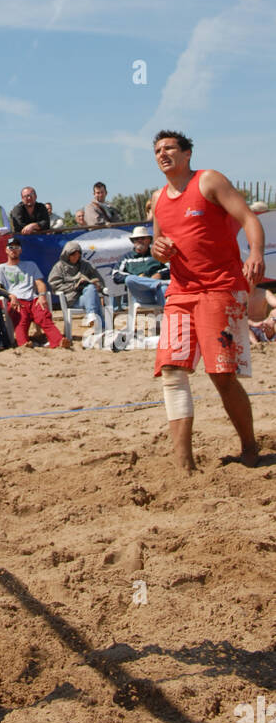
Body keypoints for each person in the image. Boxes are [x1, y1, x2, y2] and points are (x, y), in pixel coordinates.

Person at [150, 130, 263, 472]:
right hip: (180, 292)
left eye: (169, 147)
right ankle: (183, 464)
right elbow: (158, 245)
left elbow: (248, 218)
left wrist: (256, 252)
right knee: (172, 371)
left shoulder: (209, 180)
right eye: (157, 150)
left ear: (186, 154)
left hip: (221, 288)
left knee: (221, 376)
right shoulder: (157, 198)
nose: (162, 154)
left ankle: (249, 445)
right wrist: (159, 250)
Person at [0, 236, 70, 349]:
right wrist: (11, 296)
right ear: (6, 250)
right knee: (21, 319)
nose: (14, 250)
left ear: (21, 250)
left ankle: (59, 341)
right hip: (16, 301)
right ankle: (24, 343)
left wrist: (42, 296)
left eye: (17, 247)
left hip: (33, 299)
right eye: (11, 247)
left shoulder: (30, 265)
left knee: (44, 316)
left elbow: (40, 283)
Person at [48, 240, 106, 326]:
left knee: (91, 288)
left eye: (78, 255)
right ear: (67, 255)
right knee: (95, 299)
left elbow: (99, 279)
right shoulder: (59, 267)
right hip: (72, 299)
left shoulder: (85, 265)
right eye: (73, 255)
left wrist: (97, 285)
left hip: (88, 295)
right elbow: (54, 284)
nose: (76, 257)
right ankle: (102, 327)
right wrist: (74, 286)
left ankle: (92, 316)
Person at [112, 226, 170, 311]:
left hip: (158, 291)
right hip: (141, 294)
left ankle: (169, 319)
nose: (139, 241)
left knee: (163, 288)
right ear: (133, 242)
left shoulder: (156, 254)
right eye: (136, 239)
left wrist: (159, 274)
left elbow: (171, 269)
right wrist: (138, 278)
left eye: (142, 238)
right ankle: (157, 283)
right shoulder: (127, 258)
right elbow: (115, 275)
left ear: (149, 240)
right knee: (129, 279)